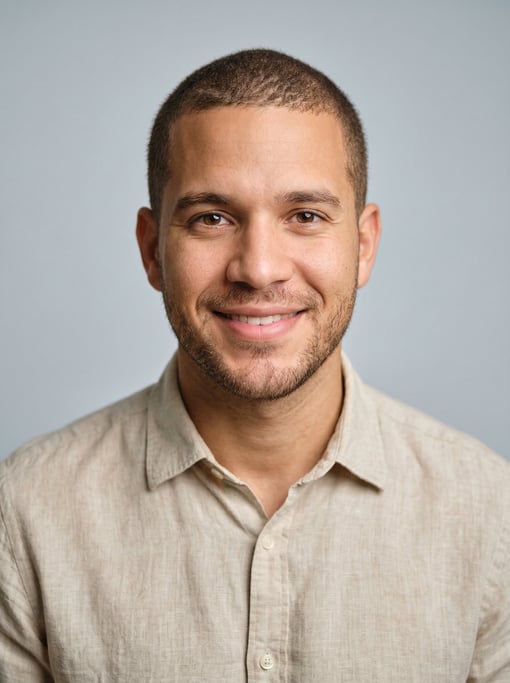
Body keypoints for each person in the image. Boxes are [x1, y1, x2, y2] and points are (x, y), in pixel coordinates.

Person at [0, 49, 508, 682]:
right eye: (212, 218)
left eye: (305, 216)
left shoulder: (490, 513)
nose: (259, 268)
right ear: (153, 251)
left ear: (364, 246)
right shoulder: (25, 512)